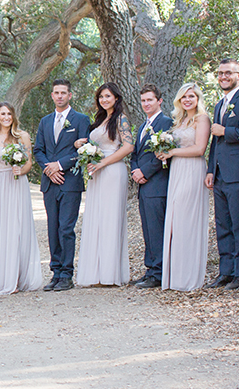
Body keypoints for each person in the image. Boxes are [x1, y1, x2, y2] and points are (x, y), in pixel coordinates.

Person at [205, 58, 239, 290]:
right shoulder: (219, 104)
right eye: (220, 73)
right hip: (219, 174)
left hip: (238, 173)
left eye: (228, 73)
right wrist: (210, 170)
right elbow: (214, 141)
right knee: (222, 224)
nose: (223, 77)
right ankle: (225, 272)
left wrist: (226, 130)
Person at [33, 79, 91, 291]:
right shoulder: (45, 121)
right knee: (52, 228)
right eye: (56, 92)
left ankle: (67, 274)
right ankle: (55, 272)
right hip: (50, 183)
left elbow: (85, 150)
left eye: (63, 93)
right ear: (52, 95)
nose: (59, 96)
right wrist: (49, 169)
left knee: (66, 228)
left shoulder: (81, 120)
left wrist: (61, 165)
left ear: (70, 95)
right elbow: (38, 150)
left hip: (70, 182)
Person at [74, 83, 134, 287]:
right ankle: (96, 271)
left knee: (110, 218)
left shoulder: (121, 119)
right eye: (101, 96)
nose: (104, 100)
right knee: (97, 218)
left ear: (116, 98)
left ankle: (110, 273)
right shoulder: (100, 120)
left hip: (112, 170)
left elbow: (128, 146)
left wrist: (103, 163)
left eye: (108, 96)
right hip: (97, 172)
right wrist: (83, 145)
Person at [0, 102, 43, 294]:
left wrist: (21, 169)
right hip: (0, 185)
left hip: (18, 184)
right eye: (2, 114)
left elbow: (29, 162)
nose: (6, 117)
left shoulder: (22, 136)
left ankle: (19, 277)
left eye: (9, 114)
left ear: (13, 116)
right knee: (3, 229)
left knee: (19, 228)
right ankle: (5, 277)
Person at [157, 83, 211, 291]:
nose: (187, 100)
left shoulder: (202, 119)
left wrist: (172, 153)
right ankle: (175, 276)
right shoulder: (179, 120)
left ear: (198, 99)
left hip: (193, 170)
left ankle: (189, 277)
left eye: (192, 96)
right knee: (175, 222)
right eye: (184, 97)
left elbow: (199, 149)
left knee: (186, 219)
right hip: (177, 170)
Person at [129, 85, 173, 288]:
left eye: (150, 100)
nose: (146, 104)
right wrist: (135, 170)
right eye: (144, 100)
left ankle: (159, 272)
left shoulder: (167, 123)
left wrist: (144, 172)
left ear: (159, 101)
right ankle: (150, 269)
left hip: (158, 184)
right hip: (143, 186)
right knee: (147, 228)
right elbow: (136, 153)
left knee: (157, 229)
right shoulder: (142, 126)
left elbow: (163, 153)